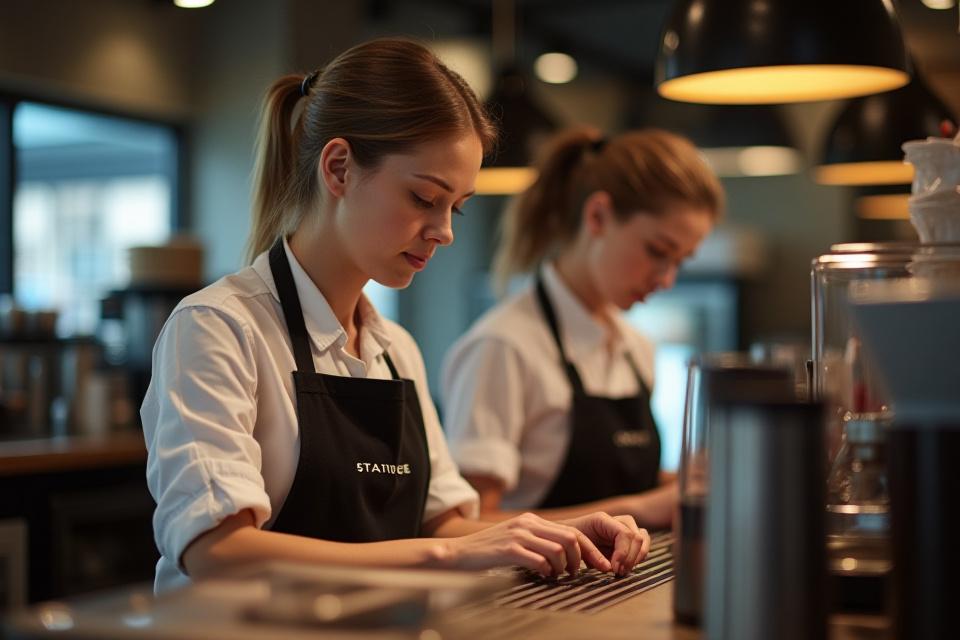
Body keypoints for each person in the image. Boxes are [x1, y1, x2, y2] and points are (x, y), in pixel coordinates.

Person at [142, 39, 649, 594]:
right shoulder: (219, 328)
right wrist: (448, 554)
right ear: (338, 169)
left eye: (455, 207)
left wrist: (557, 532)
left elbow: (449, 522)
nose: (445, 232)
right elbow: (219, 550)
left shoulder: (394, 349)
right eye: (423, 198)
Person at [441, 126, 724, 527]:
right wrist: (640, 509)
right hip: (531, 589)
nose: (666, 280)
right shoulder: (503, 346)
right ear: (598, 216)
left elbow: (620, 480)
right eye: (658, 252)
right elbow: (469, 524)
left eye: (681, 261)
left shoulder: (634, 347)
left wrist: (685, 483)